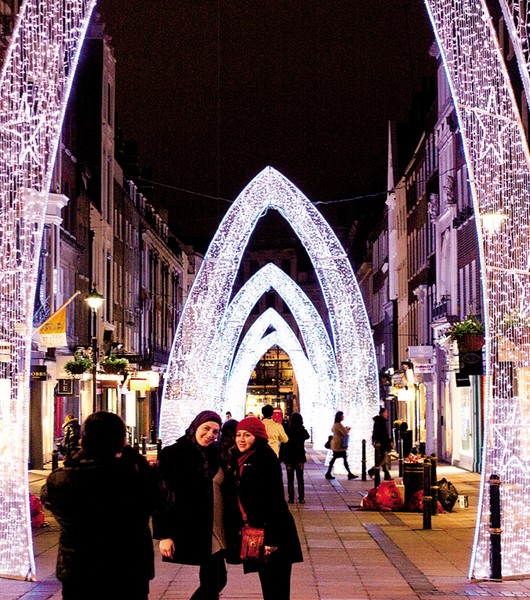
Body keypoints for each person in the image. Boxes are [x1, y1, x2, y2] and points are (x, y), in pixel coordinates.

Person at [41, 411, 156, 600]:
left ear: (83, 441)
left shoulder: (62, 479)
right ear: (122, 441)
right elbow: (163, 499)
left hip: (79, 568)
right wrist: (137, 460)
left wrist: (77, 458)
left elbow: (48, 499)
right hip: (129, 568)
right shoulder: (135, 477)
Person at [153, 410, 227, 600]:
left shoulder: (216, 454)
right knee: (216, 580)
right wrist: (164, 535)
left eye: (216, 431)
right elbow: (162, 496)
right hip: (193, 526)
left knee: (213, 579)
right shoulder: (173, 454)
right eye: (206, 428)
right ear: (195, 426)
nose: (210, 435)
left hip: (216, 527)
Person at [228, 416, 303, 600]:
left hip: (274, 536)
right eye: (239, 434)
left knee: (276, 590)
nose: (241, 439)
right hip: (260, 534)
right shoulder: (243, 458)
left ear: (258, 436)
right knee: (269, 588)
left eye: (247, 435)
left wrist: (271, 539)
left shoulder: (265, 459)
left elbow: (274, 502)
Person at [281, 412, 310, 504]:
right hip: (299, 457)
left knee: (290, 479)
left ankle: (291, 498)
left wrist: (281, 456)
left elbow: (283, 444)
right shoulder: (302, 430)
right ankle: (301, 498)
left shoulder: (287, 430)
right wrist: (302, 427)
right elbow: (307, 436)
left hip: (289, 457)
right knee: (300, 479)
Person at [325, 411, 358, 480]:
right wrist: (347, 429)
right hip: (339, 445)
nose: (343, 417)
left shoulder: (335, 424)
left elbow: (333, 430)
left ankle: (328, 473)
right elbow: (345, 433)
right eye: (342, 416)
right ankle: (349, 474)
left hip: (335, 443)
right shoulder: (339, 425)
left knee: (336, 458)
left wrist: (344, 429)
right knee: (342, 458)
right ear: (339, 417)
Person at [368, 407, 393, 480]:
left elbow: (375, 432)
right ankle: (371, 471)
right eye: (386, 412)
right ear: (382, 413)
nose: (387, 414)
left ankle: (387, 475)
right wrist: (389, 441)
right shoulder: (381, 422)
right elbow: (384, 433)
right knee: (383, 459)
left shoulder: (379, 421)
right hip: (382, 443)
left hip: (380, 442)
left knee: (383, 458)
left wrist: (374, 440)